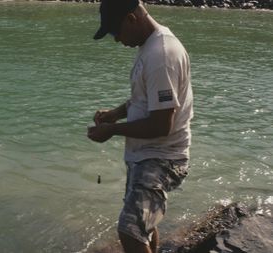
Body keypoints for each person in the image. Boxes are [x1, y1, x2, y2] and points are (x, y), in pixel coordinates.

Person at [87, 0, 194, 253]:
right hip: (146, 155)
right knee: (143, 226)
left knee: (129, 229)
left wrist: (112, 130)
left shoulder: (161, 55)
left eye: (115, 32)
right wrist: (117, 113)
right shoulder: (152, 46)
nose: (116, 40)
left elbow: (161, 125)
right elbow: (148, 98)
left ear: (131, 19)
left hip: (162, 158)